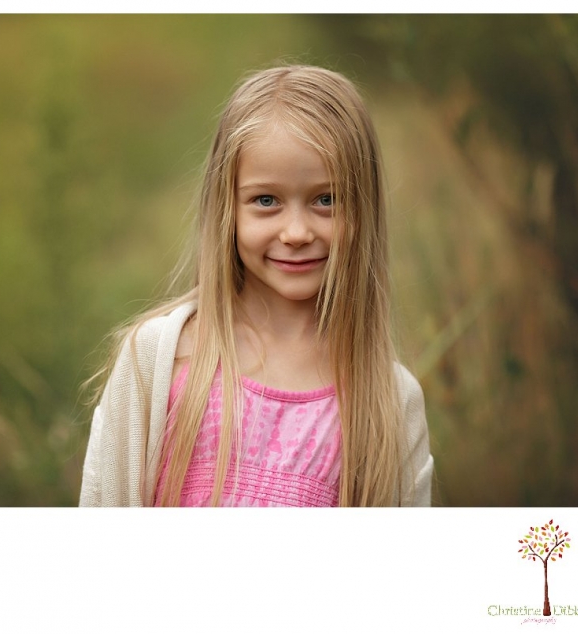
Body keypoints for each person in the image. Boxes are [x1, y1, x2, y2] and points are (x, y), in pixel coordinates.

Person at [79, 65, 433, 507]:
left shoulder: (390, 404)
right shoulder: (156, 361)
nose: (297, 232)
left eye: (327, 199)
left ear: (364, 208)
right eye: (267, 201)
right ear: (226, 206)